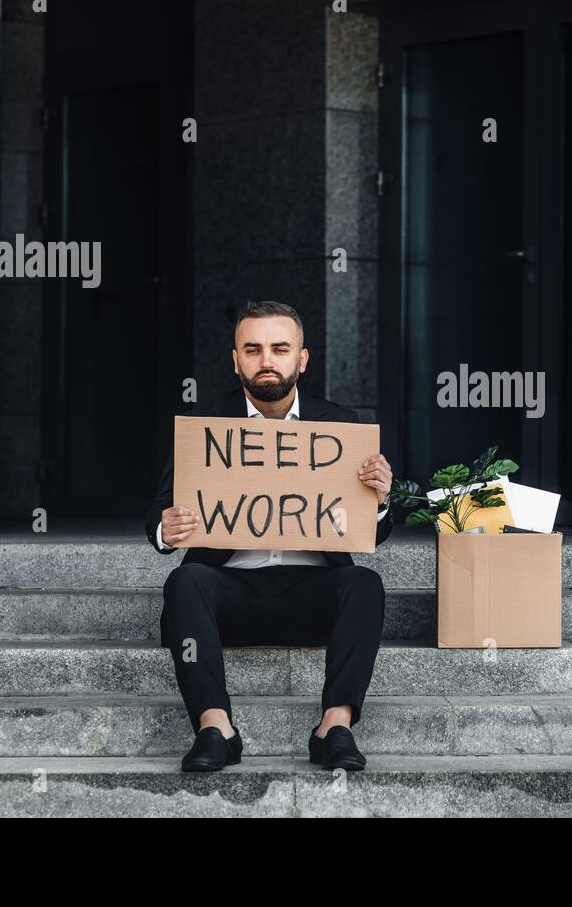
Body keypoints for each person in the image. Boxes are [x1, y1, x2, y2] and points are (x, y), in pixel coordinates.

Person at [147, 300, 393, 772]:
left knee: (365, 583)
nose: (266, 360)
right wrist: (166, 528)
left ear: (302, 359)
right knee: (185, 581)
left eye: (280, 348)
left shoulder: (341, 425)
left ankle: (334, 727)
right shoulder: (205, 426)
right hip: (229, 596)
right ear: (234, 359)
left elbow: (374, 535)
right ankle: (216, 729)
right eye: (253, 349)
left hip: (311, 596)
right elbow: (157, 513)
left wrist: (379, 500)